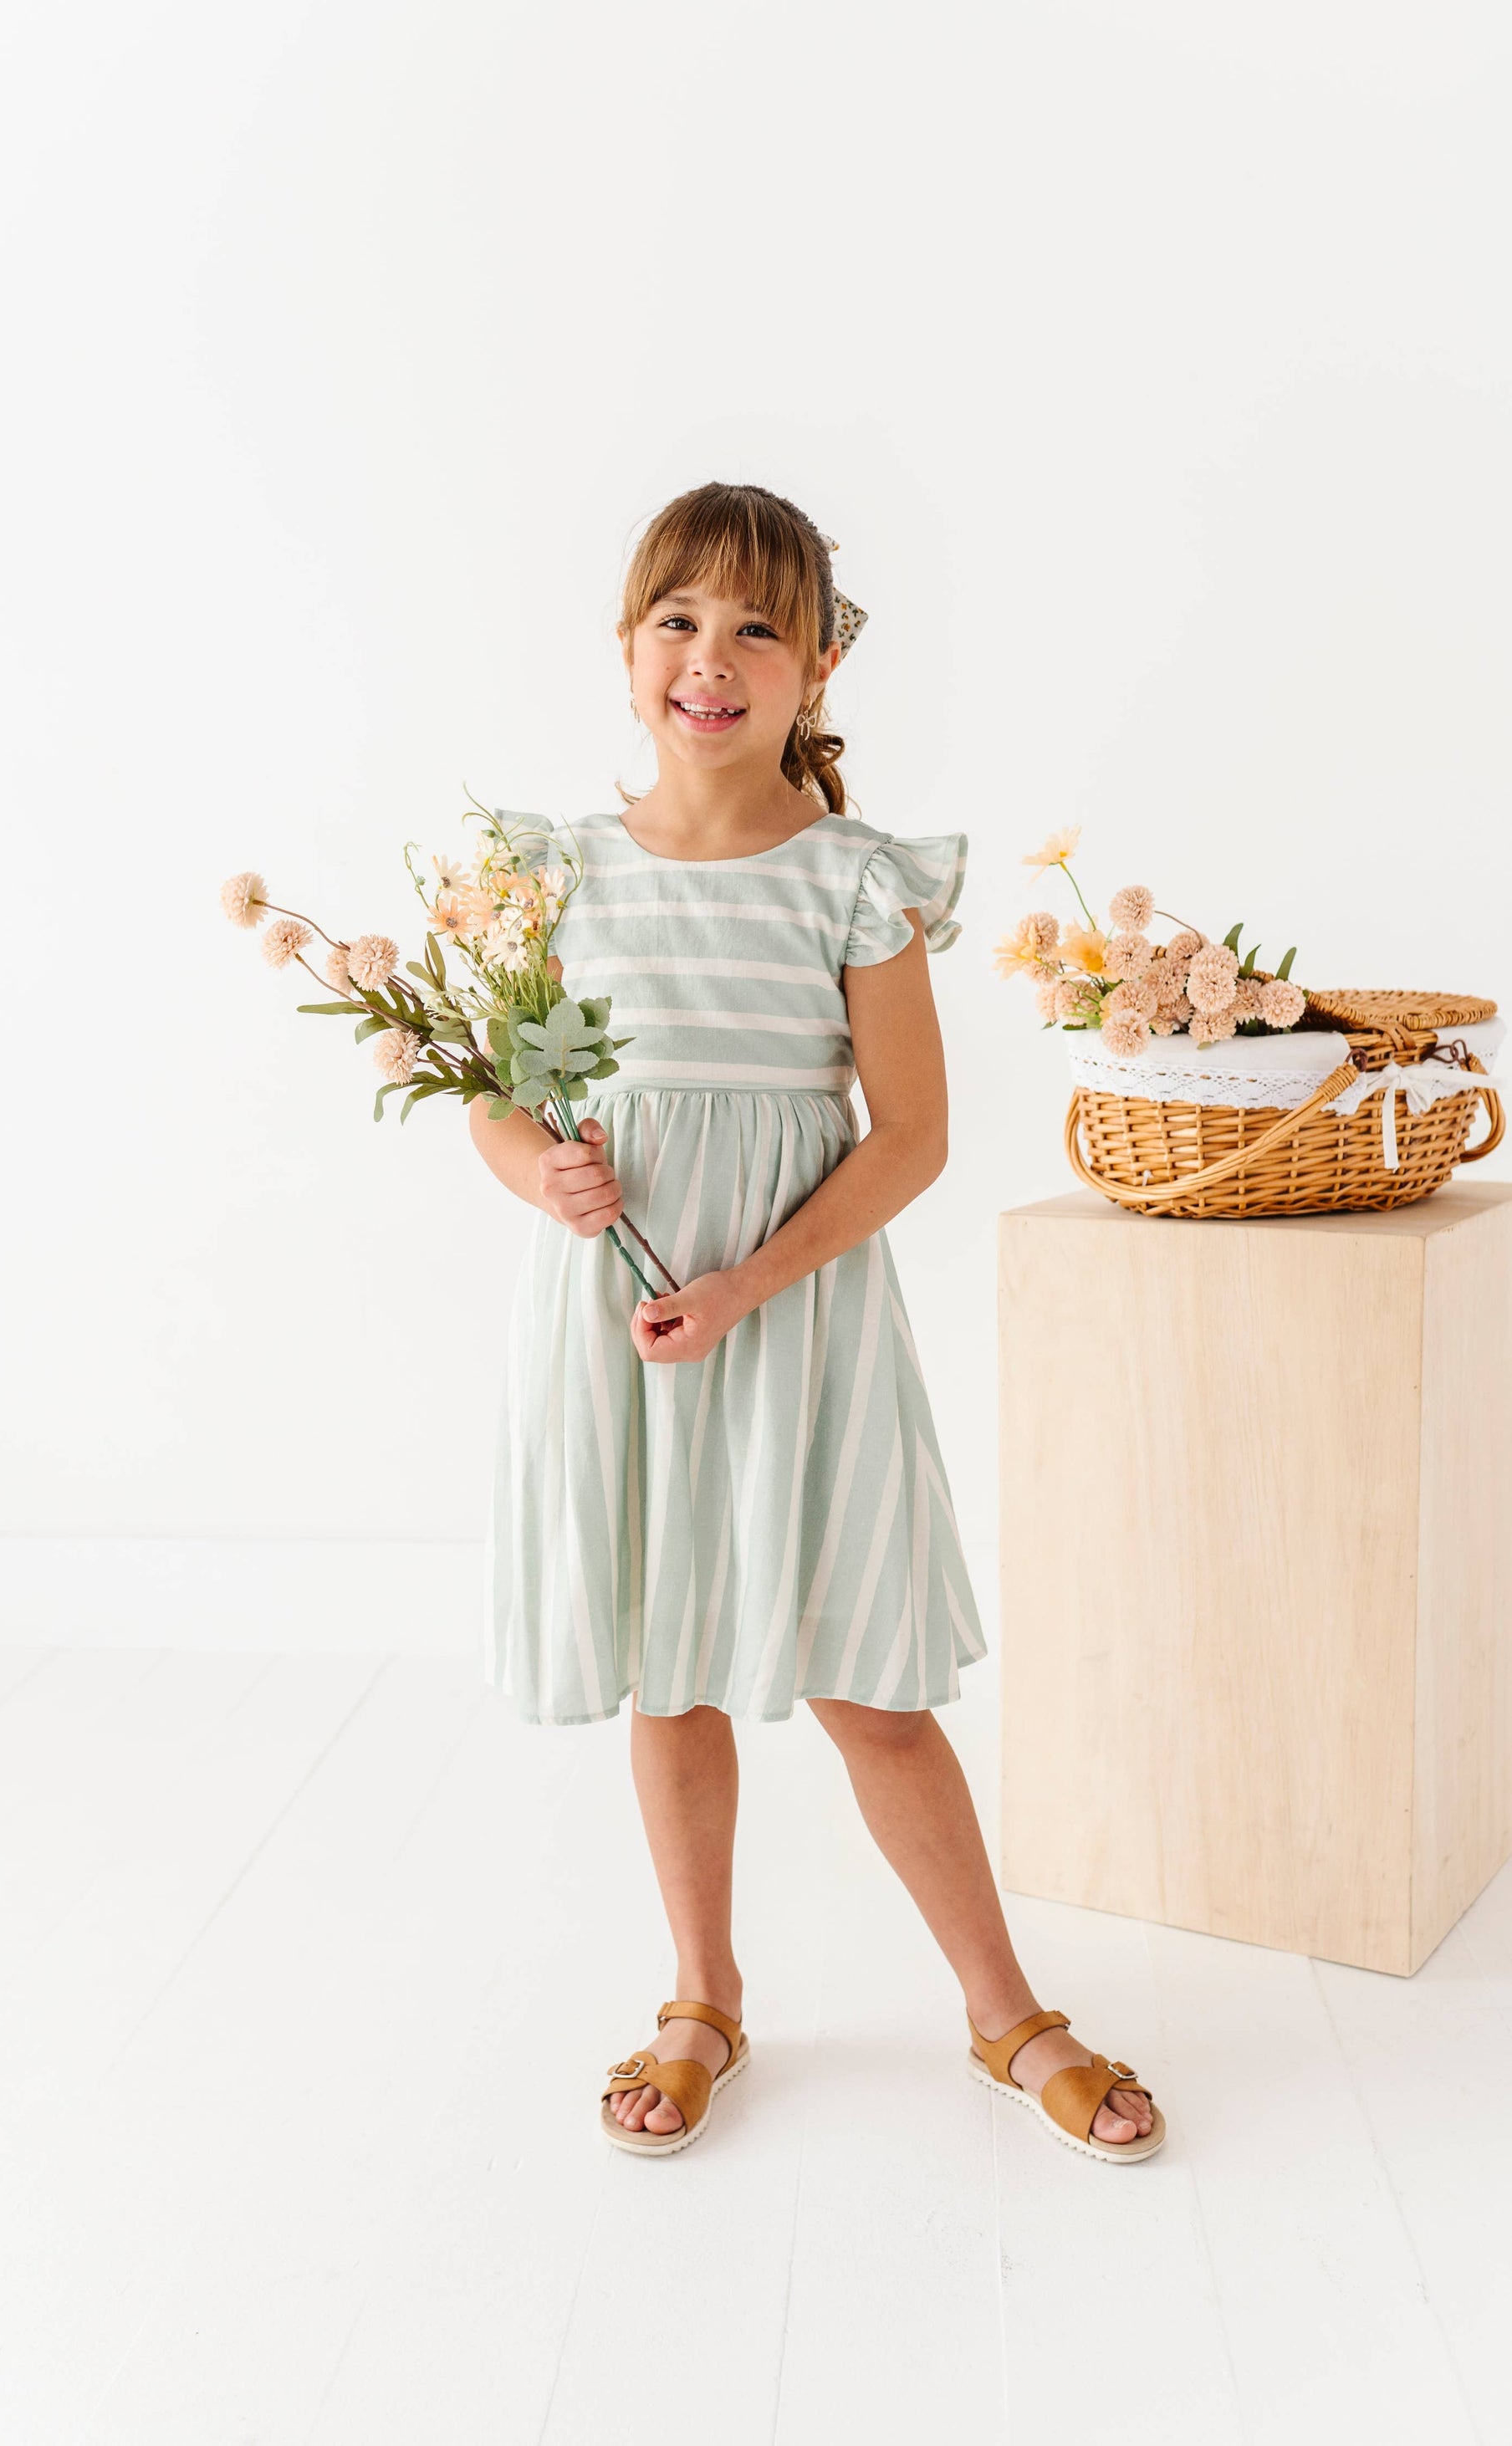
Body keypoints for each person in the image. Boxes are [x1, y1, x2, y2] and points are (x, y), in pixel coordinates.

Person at [467, 482, 1164, 2166]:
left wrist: (744, 1286)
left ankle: (1006, 2010)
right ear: (625, 647)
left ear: (820, 666)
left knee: (871, 1684)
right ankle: (701, 1994)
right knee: (669, 1665)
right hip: (630, 1323)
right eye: (679, 621)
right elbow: (496, 1097)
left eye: (757, 629)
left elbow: (908, 1136)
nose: (711, 660)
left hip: (793, 1322)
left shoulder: (853, 881)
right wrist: (538, 1172)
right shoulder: (548, 875)